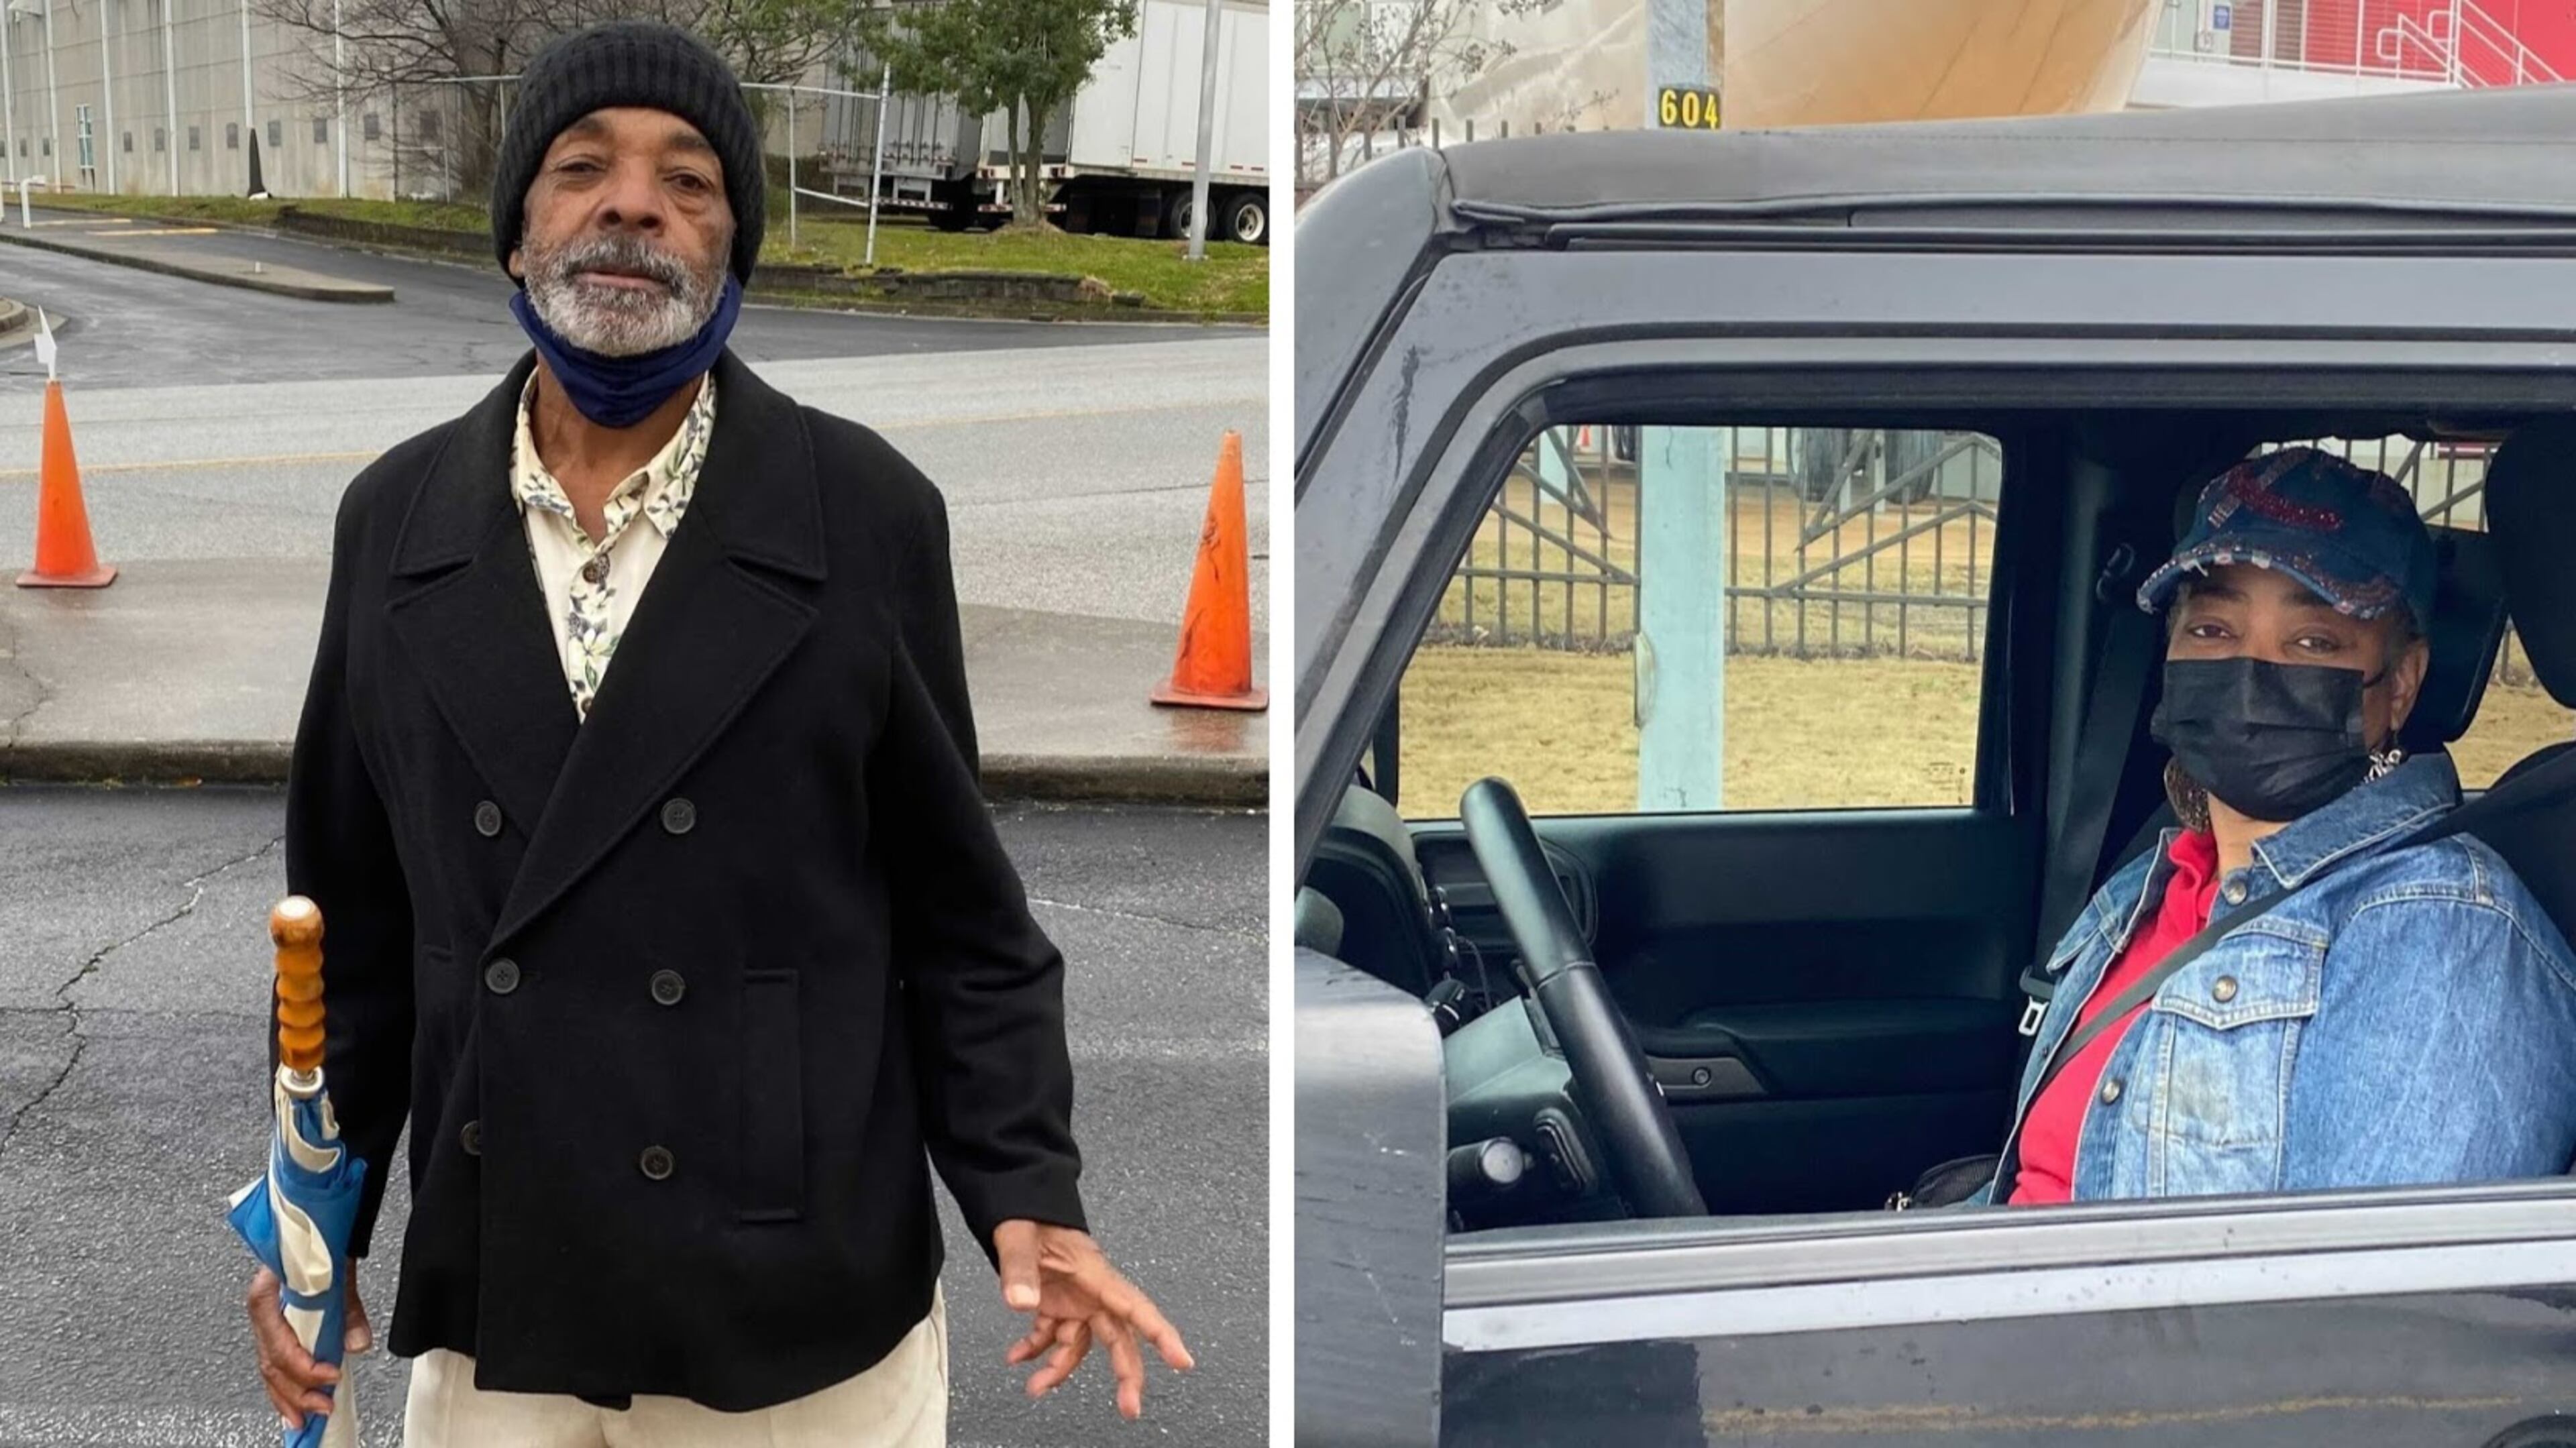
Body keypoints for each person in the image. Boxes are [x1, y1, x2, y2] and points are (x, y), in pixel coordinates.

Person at [243, 21, 1189, 1444]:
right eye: (581, 169)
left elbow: (963, 921)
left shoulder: (862, 513)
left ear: (733, 248)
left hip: (794, 1304)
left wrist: (1029, 1190)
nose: (632, 204)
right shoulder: (393, 523)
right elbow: (350, 937)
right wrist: (314, 1221)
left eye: (688, 180)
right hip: (507, 1285)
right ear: (514, 236)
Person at [1995, 446, 2576, 1205]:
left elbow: (2368, 1309)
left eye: (2313, 642)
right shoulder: (2157, 873)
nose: (2250, 669)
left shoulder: (2443, 936)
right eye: (2211, 628)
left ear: (2399, 683)